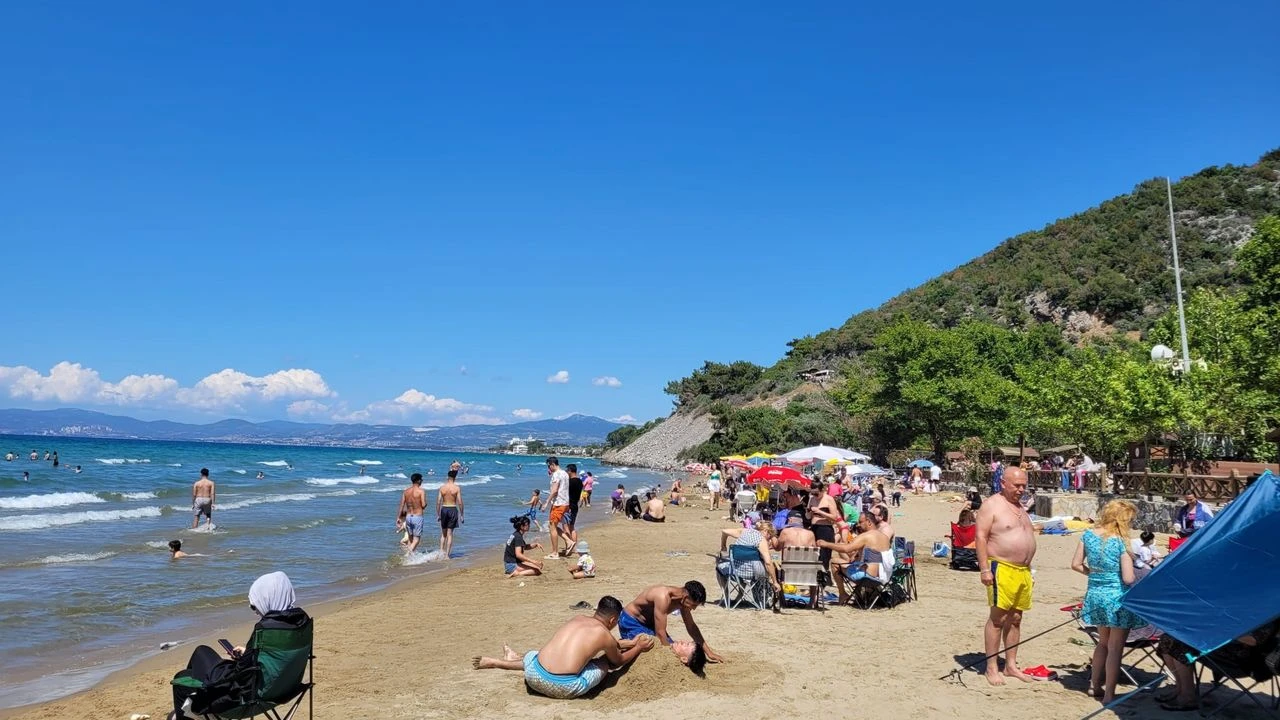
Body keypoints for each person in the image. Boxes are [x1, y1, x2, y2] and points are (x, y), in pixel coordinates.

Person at [169, 572, 307, 719]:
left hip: (244, 700)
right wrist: (249, 653)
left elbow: (240, 675)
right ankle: (194, 708)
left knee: (187, 670)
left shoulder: (267, 629)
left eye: (254, 606)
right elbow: (279, 656)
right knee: (201, 657)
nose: (255, 611)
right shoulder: (300, 624)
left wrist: (244, 659)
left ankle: (192, 710)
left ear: (267, 599)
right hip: (285, 690)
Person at [471, 596, 654, 699]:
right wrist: (637, 647)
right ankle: (506, 660)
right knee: (604, 661)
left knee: (538, 654)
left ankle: (500, 661)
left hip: (533, 674)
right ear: (613, 620)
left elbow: (607, 644)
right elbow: (617, 661)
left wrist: (627, 643)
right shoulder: (604, 635)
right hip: (563, 686)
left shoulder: (578, 619)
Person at [1071, 500, 1145, 703]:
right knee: (1115, 648)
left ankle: (1095, 686)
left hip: (1095, 594)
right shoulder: (1120, 541)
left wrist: (1094, 575)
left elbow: (1076, 564)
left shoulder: (1087, 535)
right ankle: (1110, 694)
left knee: (1102, 643)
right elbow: (1129, 578)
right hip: (1116, 597)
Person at [975, 466, 1042, 685]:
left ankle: (1011, 664)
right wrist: (985, 569)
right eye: (1017, 485)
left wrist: (1029, 568)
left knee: (1016, 618)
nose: (1021, 490)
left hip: (1022, 570)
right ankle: (992, 667)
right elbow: (981, 537)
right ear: (1003, 483)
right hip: (1000, 568)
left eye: (1024, 485)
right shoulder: (991, 505)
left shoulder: (1019, 507)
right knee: (998, 618)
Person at [1156, 620, 1280, 712]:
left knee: (1181, 646)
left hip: (1242, 660)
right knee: (1169, 638)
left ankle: (1188, 696)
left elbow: (1253, 640)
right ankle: (1181, 688)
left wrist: (1219, 628)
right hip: (1219, 649)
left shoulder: (1269, 613)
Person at [619, 583, 723, 662]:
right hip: (631, 621)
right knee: (647, 649)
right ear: (686, 597)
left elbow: (691, 626)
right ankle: (621, 647)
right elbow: (660, 632)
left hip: (651, 625)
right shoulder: (663, 597)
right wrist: (668, 658)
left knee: (676, 650)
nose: (694, 609)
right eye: (694, 605)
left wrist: (709, 652)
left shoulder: (683, 602)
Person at [817, 511, 893, 605]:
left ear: (869, 522)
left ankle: (843, 594)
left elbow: (846, 549)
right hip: (883, 575)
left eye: (861, 522)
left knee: (834, 562)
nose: (858, 525)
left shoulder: (865, 536)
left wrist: (826, 544)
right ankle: (864, 594)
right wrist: (857, 554)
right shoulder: (884, 537)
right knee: (852, 562)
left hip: (867, 576)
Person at [717, 519, 782, 596]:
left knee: (719, 567)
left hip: (736, 571)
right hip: (753, 574)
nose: (769, 540)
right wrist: (775, 582)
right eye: (770, 537)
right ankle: (740, 595)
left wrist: (723, 546)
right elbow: (768, 562)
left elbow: (724, 531)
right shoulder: (762, 540)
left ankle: (726, 595)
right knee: (765, 565)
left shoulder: (744, 531)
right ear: (766, 532)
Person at [542, 457, 570, 558]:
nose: (549, 468)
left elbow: (554, 490)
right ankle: (569, 541)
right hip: (565, 503)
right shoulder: (565, 473)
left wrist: (546, 502)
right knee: (553, 525)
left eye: (549, 466)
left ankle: (555, 552)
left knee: (552, 527)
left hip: (558, 503)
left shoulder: (556, 474)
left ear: (552, 464)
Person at [396, 473, 427, 554]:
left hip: (408, 517)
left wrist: (398, 518)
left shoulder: (406, 491)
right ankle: (407, 556)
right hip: (417, 516)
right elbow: (423, 505)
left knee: (410, 539)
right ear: (418, 480)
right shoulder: (421, 491)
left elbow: (402, 505)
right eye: (421, 479)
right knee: (416, 539)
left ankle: (410, 559)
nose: (422, 481)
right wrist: (424, 504)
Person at [436, 469, 464, 558]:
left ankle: (441, 553)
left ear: (447, 477)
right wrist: (462, 514)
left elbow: (438, 502)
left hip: (444, 509)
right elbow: (459, 502)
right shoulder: (456, 488)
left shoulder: (442, 487)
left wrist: (438, 514)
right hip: (452, 509)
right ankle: (447, 555)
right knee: (450, 534)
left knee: (443, 534)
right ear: (455, 478)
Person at [564, 464, 584, 553]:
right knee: (572, 527)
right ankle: (574, 547)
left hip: (569, 506)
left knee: (567, 527)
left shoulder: (570, 482)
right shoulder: (580, 481)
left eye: (567, 471)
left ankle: (570, 545)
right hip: (575, 505)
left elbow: (565, 493)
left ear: (570, 471)